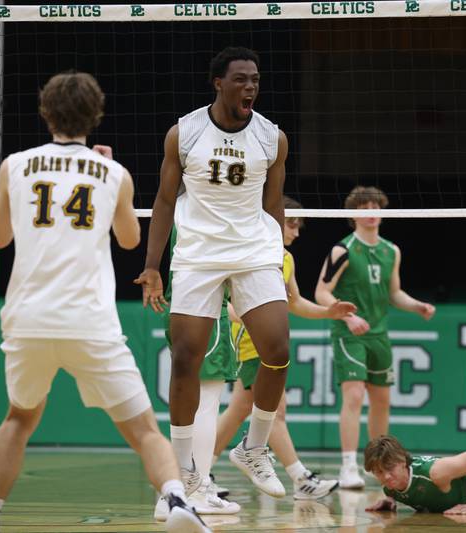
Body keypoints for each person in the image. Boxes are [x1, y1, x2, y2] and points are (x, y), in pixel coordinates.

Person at [0, 71, 209, 533]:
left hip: (28, 318)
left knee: (18, 418)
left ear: (45, 112)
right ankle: (177, 500)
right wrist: (109, 183)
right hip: (89, 322)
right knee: (143, 431)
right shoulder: (113, 173)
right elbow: (129, 238)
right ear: (95, 115)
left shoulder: (14, 166)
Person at [136, 47, 290, 498]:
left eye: (256, 80)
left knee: (277, 349)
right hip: (199, 251)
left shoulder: (272, 137)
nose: (250, 87)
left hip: (253, 250)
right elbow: (165, 201)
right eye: (241, 79)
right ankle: (184, 472)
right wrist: (152, 266)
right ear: (218, 83)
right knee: (186, 357)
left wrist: (277, 253)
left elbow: (274, 202)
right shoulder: (184, 133)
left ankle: (254, 448)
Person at [212, 196, 354, 500]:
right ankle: (300, 478)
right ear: (272, 219)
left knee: (240, 410)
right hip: (250, 342)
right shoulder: (248, 250)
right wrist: (241, 315)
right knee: (275, 411)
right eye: (292, 223)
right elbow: (228, 298)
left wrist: (329, 311)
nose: (297, 231)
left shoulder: (285, 258)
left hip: (268, 342)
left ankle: (198, 474)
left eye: (299, 225)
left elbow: (294, 302)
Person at [314, 186, 435, 489]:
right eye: (364, 207)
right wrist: (347, 316)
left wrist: (416, 305)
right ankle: (348, 467)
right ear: (353, 214)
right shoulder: (342, 250)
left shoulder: (390, 251)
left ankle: (380, 463)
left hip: (378, 334)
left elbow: (394, 293)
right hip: (349, 331)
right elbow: (321, 292)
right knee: (354, 395)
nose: (371, 212)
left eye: (375, 206)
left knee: (381, 400)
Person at [153, 226, 241, 519]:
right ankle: (197, 492)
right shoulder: (211, 208)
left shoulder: (182, 210)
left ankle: (175, 494)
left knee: (194, 400)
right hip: (206, 306)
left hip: (185, 302)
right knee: (206, 401)